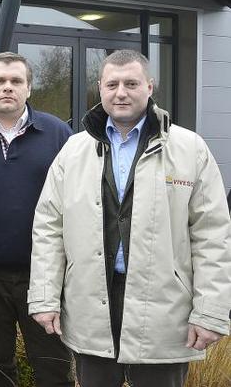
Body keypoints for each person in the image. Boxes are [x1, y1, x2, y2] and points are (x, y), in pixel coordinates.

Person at [28, 49, 231, 387]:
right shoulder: (73, 152)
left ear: (149, 87)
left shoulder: (189, 149)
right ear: (100, 88)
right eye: (112, 84)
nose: (121, 92)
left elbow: (212, 236)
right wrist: (45, 298)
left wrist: (210, 312)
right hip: (91, 305)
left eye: (131, 83)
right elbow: (49, 228)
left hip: (164, 310)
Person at [0, 52, 73, 387]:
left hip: (44, 276)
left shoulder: (57, 134)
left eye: (16, 81)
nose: (7, 87)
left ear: (29, 88)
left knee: (53, 365)